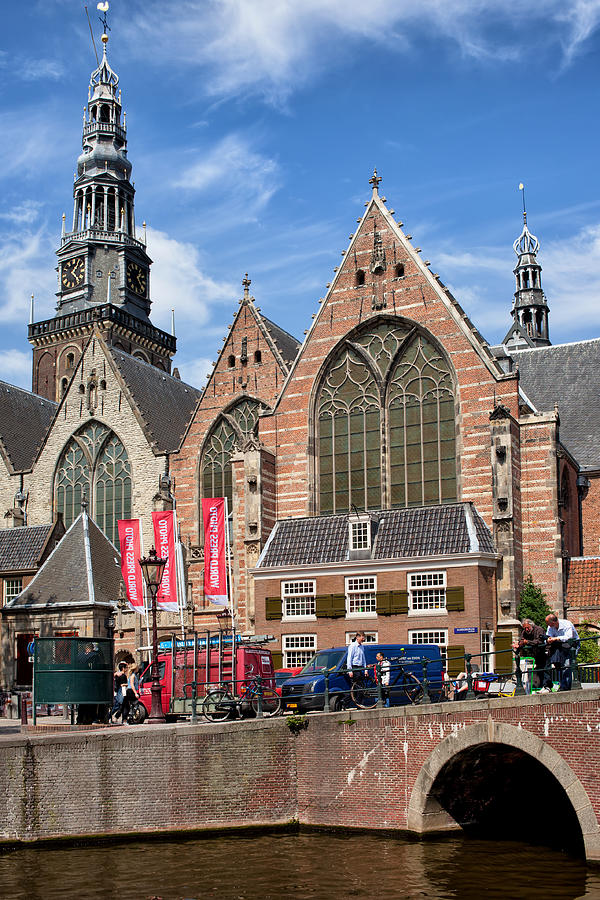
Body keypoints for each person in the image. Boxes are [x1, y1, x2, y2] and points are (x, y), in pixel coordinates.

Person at [540, 613, 580, 692]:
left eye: (548, 623)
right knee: (560, 665)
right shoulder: (550, 627)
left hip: (572, 645)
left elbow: (568, 637)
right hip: (561, 646)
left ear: (553, 622)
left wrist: (556, 638)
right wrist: (548, 639)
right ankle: (563, 685)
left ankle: (566, 686)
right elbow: (549, 636)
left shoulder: (567, 624)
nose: (547, 625)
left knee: (567, 664)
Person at [513, 618, 547, 690]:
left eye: (527, 628)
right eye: (525, 628)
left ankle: (546, 687)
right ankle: (540, 687)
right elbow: (522, 640)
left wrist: (527, 642)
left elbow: (539, 642)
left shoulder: (539, 630)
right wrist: (519, 645)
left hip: (544, 654)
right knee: (538, 672)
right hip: (536, 655)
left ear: (531, 625)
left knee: (545, 670)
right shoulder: (524, 632)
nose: (526, 630)